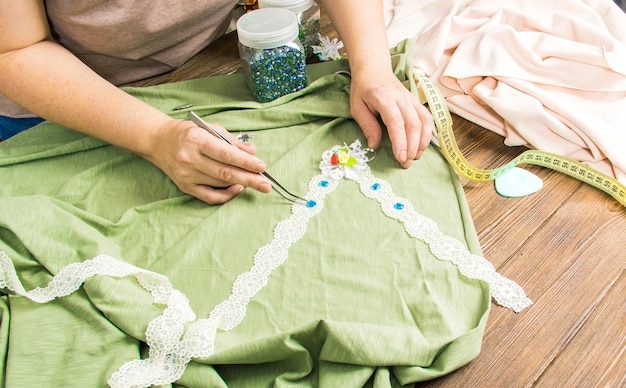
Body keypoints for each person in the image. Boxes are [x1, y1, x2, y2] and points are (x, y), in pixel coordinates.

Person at [0, 0, 433, 205]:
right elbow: (14, 49)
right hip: (64, 101)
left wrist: (372, 64)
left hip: (216, 62)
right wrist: (154, 135)